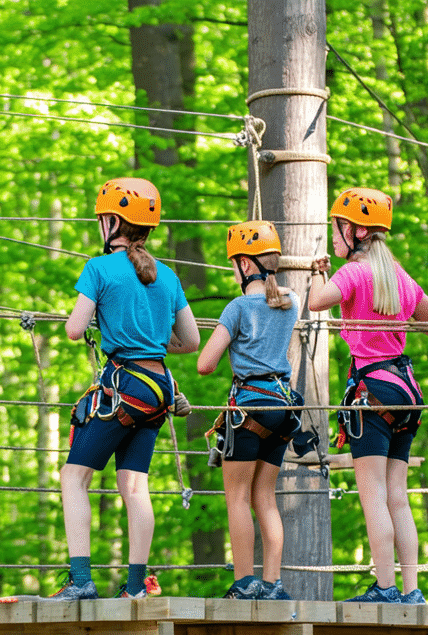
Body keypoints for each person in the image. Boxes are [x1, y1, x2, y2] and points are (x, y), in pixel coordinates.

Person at [48, 178, 199, 601]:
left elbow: (74, 329)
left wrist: (108, 322)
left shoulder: (99, 269)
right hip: (159, 388)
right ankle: (136, 586)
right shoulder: (167, 276)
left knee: (73, 477)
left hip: (125, 385)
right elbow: (190, 341)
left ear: (112, 223)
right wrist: (151, 340)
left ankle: (81, 580)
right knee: (134, 484)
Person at [309, 187, 428, 604]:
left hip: (372, 392)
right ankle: (411, 589)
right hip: (406, 389)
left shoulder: (352, 273)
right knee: (397, 497)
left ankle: (385, 588)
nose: (333, 234)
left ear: (354, 230)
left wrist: (318, 273)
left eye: (337, 227)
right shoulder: (397, 275)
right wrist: (397, 317)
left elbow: (316, 302)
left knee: (373, 496)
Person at [197, 221, 302, 600]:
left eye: (233, 265)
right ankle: (272, 584)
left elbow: (205, 364)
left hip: (249, 409)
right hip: (282, 409)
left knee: (238, 496)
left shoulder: (238, 308)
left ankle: (244, 583)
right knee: (265, 497)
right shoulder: (290, 302)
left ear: (244, 264)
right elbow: (289, 295)